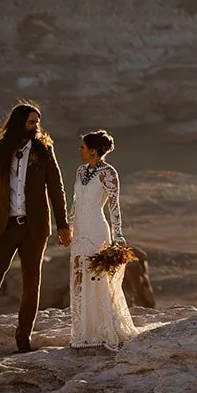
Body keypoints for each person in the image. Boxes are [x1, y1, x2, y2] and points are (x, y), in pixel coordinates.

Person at [0, 103, 71, 364]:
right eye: (31, 122)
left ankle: (23, 340)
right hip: (2, 228)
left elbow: (56, 188)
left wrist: (63, 224)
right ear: (19, 122)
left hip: (35, 228)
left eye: (37, 123)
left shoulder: (44, 149)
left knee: (31, 283)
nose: (36, 127)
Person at [69, 129, 140, 349]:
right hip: (80, 231)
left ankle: (103, 329)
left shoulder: (108, 173)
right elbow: (75, 202)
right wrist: (68, 228)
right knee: (78, 276)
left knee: (97, 278)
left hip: (97, 230)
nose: (79, 150)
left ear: (93, 151)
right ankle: (84, 329)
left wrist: (118, 236)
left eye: (82, 147)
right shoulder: (81, 171)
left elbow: (114, 207)